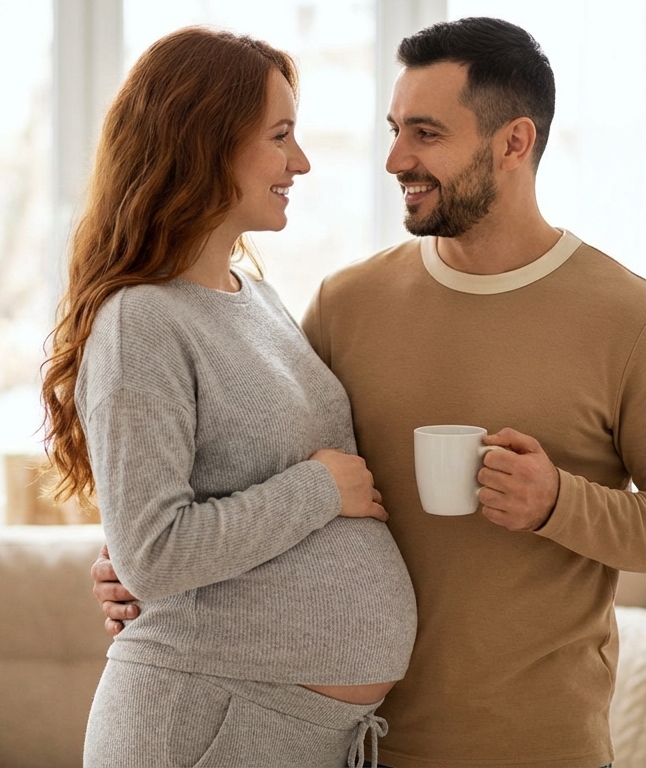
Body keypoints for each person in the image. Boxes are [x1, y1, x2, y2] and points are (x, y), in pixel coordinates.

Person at [95, 17, 646, 768]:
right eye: (395, 129)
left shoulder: (630, 319)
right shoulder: (348, 302)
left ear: (514, 143)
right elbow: (242, 464)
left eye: (426, 133)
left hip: (537, 748)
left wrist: (558, 502)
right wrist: (128, 565)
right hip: (354, 745)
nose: (397, 158)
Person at [42, 27, 417, 768]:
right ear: (204, 143)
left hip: (285, 727)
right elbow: (156, 554)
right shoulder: (140, 320)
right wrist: (319, 488)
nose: (300, 162)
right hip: (202, 721)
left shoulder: (259, 299)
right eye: (280, 136)